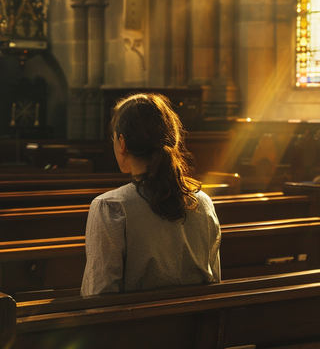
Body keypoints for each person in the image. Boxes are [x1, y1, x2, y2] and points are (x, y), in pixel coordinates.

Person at [81, 93, 221, 296]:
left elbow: (98, 298)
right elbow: (214, 283)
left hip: (136, 327)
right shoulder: (203, 202)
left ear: (122, 143)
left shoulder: (111, 208)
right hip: (195, 325)